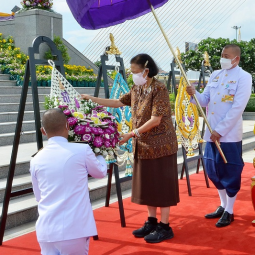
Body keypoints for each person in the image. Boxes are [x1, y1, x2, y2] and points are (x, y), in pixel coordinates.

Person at [81, 53, 179, 243]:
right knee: (148, 184)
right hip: (143, 145)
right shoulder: (136, 88)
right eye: (131, 72)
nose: (132, 75)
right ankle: (151, 221)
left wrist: (132, 134)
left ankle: (165, 226)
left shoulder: (159, 88)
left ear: (146, 71)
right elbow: (118, 102)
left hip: (162, 146)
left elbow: (156, 120)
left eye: (135, 72)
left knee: (162, 186)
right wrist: (92, 99)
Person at [186, 44, 252, 227]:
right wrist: (194, 94)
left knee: (230, 171)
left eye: (226, 55)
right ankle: (222, 206)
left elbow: (238, 108)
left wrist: (220, 131)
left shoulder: (244, 77)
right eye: (222, 54)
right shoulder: (215, 74)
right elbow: (205, 100)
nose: (222, 58)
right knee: (213, 170)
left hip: (228, 135)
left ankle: (230, 211)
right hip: (210, 132)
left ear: (236, 58)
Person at [30, 108, 107, 255]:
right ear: (68, 126)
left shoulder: (35, 159)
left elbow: (39, 197)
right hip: (74, 228)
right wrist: (100, 154)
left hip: (46, 229)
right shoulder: (82, 150)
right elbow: (100, 172)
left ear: (43, 131)